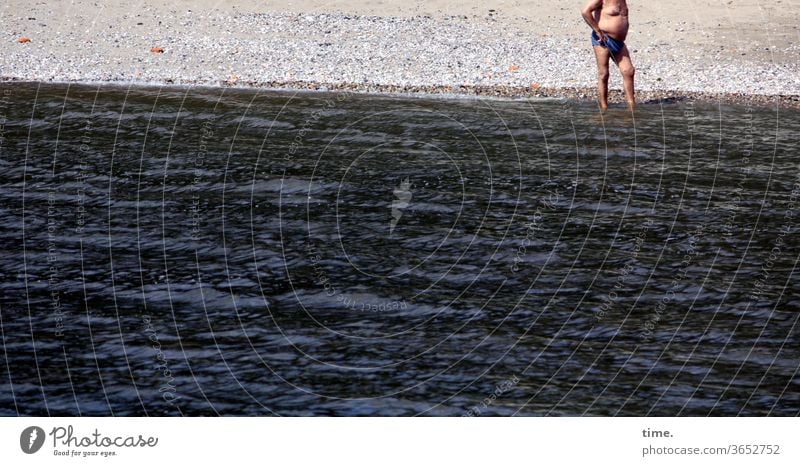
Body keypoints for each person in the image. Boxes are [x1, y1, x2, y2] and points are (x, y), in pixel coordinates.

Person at [581, 0, 635, 112]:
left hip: (619, 42)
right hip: (603, 39)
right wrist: (597, 30)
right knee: (604, 74)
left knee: (629, 71)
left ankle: (631, 107)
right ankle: (604, 108)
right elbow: (585, 11)